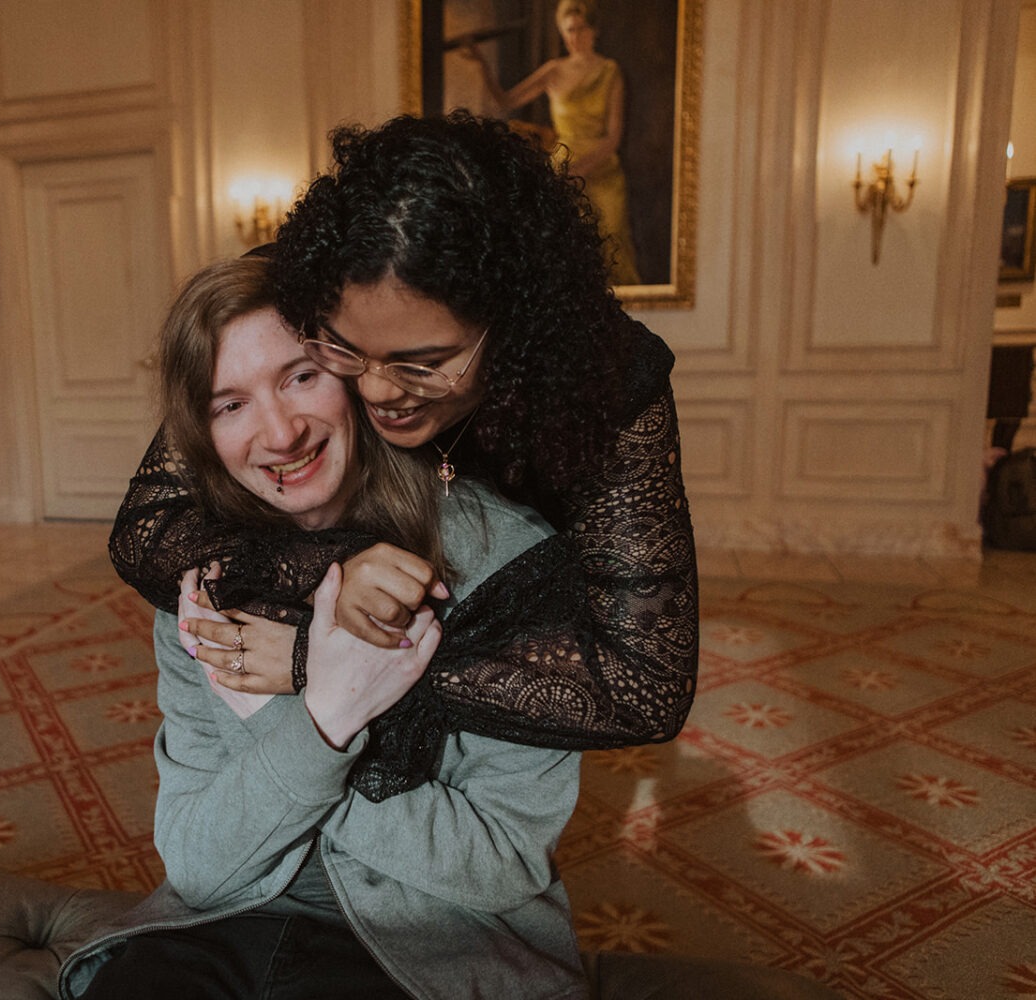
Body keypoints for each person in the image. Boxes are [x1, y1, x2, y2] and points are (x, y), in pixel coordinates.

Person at [109, 112, 697, 799]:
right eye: (346, 350)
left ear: (510, 328)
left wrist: (318, 659)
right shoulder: (302, 291)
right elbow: (146, 528)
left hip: (512, 592)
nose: (379, 391)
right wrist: (336, 571)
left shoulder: (610, 384)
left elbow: (645, 685)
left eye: (423, 363)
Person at [61, 255, 586, 1000]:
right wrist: (323, 718)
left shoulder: (504, 561)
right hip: (229, 917)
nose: (279, 433)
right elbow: (198, 864)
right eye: (228, 404)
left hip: (433, 938)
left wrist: (305, 725)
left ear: (354, 373)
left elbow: (502, 859)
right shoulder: (202, 578)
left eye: (299, 376)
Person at [461, 0, 641, 285]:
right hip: (562, 167)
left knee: (613, 244)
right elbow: (506, 101)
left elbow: (613, 137)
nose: (575, 37)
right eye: (569, 30)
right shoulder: (554, 71)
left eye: (581, 29)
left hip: (602, 167)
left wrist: (581, 170)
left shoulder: (610, 71)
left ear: (594, 31)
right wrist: (482, 64)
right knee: (558, 246)